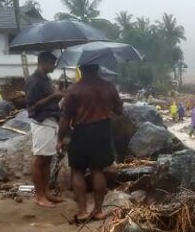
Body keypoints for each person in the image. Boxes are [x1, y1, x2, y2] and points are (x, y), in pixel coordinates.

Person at [57, 63, 123, 222]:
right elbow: (119, 110)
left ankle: (82, 211)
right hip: (102, 132)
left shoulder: (74, 89)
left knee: (77, 170)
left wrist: (60, 139)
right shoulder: (109, 87)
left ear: (81, 69)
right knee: (98, 171)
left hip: (81, 132)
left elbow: (66, 117)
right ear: (98, 69)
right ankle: (98, 211)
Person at [24, 52, 64, 208]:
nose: (54, 66)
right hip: (41, 121)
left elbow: (50, 98)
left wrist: (57, 96)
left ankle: (46, 192)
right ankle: (39, 195)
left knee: (47, 159)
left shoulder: (47, 79)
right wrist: (54, 97)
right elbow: (32, 106)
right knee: (39, 158)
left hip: (51, 121)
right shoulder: (33, 80)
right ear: (43, 62)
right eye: (52, 63)